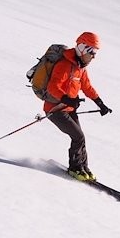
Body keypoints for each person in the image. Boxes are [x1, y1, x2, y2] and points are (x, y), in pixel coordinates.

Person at [43, 31, 111, 181]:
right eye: (91, 51)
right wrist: (66, 99)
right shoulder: (64, 65)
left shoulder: (80, 68)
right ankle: (74, 168)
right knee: (78, 137)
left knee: (81, 138)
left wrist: (100, 103)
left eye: (95, 52)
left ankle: (82, 167)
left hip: (69, 109)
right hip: (55, 109)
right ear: (81, 48)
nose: (94, 56)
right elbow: (53, 87)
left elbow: (87, 87)